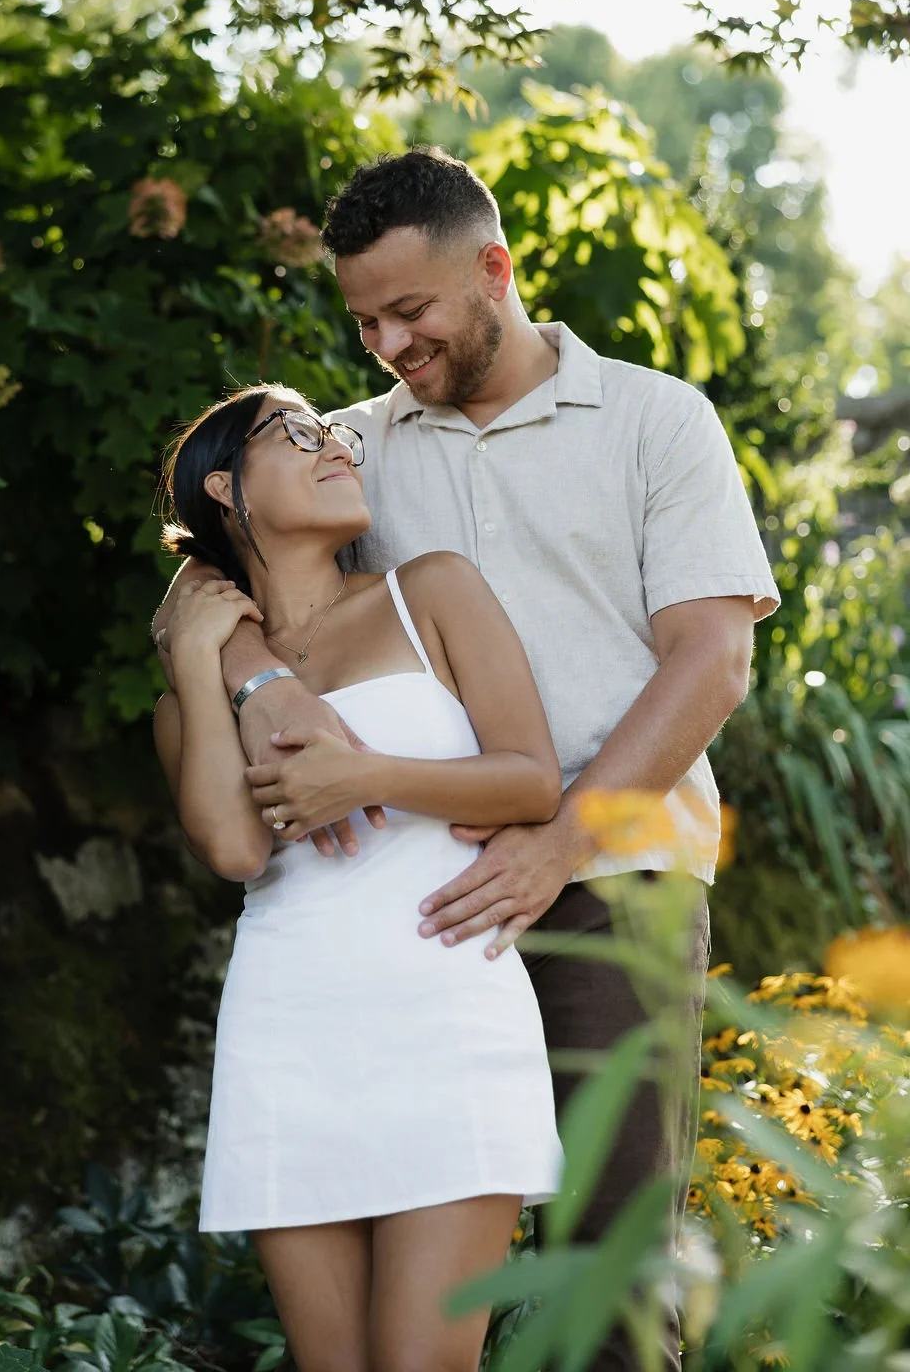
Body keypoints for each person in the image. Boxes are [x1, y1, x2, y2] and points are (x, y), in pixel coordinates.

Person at [153, 148, 781, 1371]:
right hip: (409, 912)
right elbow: (207, 579)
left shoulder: (656, 421)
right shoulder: (347, 447)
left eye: (413, 310)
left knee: (606, 1267)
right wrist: (265, 684)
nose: (389, 342)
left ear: (492, 270)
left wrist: (557, 843)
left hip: (617, 878)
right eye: (365, 320)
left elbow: (710, 659)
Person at [152, 384, 565, 1372]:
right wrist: (209, 653)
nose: (334, 445)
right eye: (295, 433)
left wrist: (366, 775)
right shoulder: (196, 678)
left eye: (333, 431)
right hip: (289, 1029)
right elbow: (236, 850)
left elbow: (531, 780)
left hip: (448, 1014)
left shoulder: (429, 590)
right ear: (224, 487)